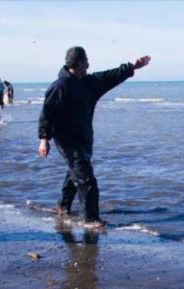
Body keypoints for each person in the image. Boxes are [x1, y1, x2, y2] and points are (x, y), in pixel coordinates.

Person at [38, 46, 151, 229]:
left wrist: (132, 67)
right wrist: (44, 139)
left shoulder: (88, 83)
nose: (89, 64)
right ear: (77, 63)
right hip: (66, 140)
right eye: (86, 61)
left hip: (84, 137)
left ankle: (62, 206)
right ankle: (90, 219)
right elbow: (47, 113)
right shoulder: (60, 86)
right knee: (86, 178)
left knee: (75, 171)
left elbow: (109, 76)